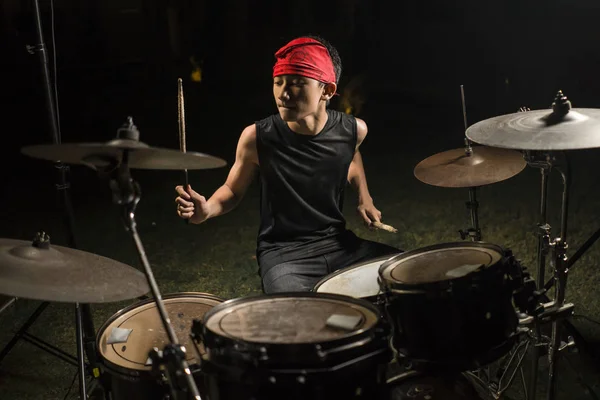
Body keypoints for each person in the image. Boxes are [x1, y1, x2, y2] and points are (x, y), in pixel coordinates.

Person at [175, 35, 400, 293]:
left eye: (296, 84)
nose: (283, 93)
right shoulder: (257, 137)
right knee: (299, 313)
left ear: (327, 90)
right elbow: (233, 191)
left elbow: (350, 155)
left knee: (407, 272)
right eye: (278, 82)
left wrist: (364, 196)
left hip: (339, 245)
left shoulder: (353, 130)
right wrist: (207, 210)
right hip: (284, 255)